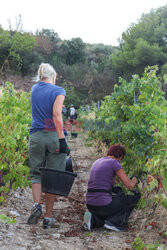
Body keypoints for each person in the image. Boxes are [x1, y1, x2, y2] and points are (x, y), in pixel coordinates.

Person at [28, 63, 69, 229]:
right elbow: (56, 114)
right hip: (53, 136)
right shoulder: (59, 90)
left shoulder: (34, 89)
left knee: (36, 173)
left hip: (36, 136)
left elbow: (43, 109)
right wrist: (62, 139)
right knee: (52, 176)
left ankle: (36, 205)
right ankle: (48, 217)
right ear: (53, 76)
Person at [83, 144, 140, 232]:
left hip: (90, 204)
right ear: (121, 156)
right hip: (104, 205)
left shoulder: (98, 161)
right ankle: (115, 223)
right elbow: (129, 186)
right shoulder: (115, 163)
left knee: (103, 219)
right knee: (133, 197)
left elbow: (106, 181)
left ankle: (93, 219)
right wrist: (135, 178)